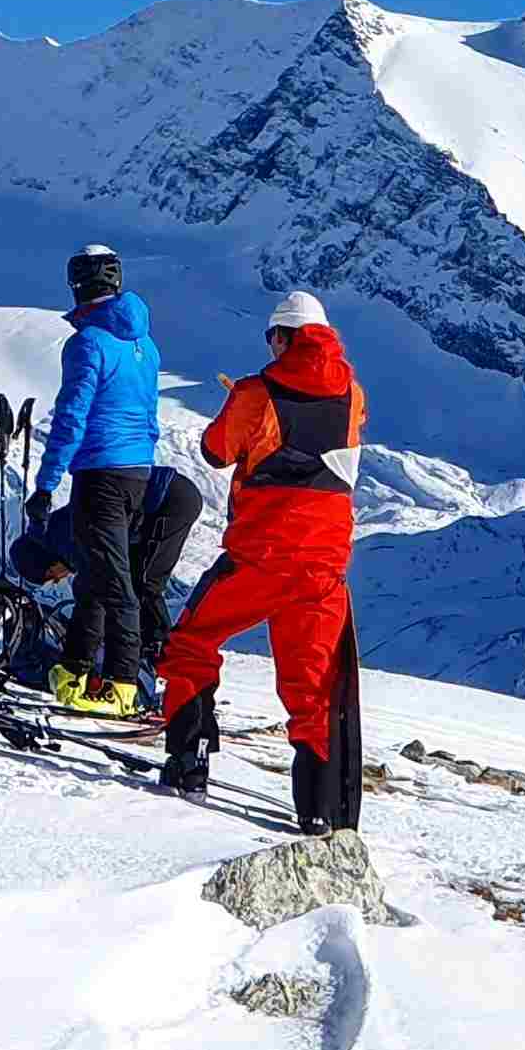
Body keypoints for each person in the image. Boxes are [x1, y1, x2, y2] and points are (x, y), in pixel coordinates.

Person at [159, 291, 366, 834]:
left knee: (193, 642)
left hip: (262, 556)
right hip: (325, 567)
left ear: (285, 337)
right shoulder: (352, 393)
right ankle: (319, 811)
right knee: (313, 687)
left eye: (274, 336)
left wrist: (239, 405)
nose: (270, 345)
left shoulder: (257, 390)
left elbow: (216, 450)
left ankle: (188, 764)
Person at [23, 244, 160, 716]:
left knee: (113, 582)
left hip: (99, 471)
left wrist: (45, 485)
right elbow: (148, 411)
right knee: (98, 575)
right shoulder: (144, 344)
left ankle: (120, 685)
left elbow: (72, 416)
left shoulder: (88, 343)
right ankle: (77, 670)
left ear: (77, 286)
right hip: (136, 470)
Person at [11, 464, 202, 694]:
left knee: (144, 585)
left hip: (172, 502)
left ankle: (163, 661)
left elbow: (94, 597)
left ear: (46, 561)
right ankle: (151, 657)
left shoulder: (68, 538)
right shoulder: (58, 533)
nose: (58, 579)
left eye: (50, 576)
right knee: (132, 583)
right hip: (161, 500)